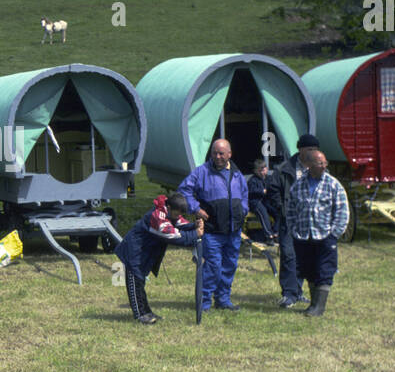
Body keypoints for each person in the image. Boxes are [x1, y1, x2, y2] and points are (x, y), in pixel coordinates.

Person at [179, 138, 248, 311]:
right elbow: (183, 190)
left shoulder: (238, 174)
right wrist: (196, 209)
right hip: (212, 231)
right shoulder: (201, 172)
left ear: (229, 154)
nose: (217, 156)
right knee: (212, 266)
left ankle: (223, 300)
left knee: (229, 266)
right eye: (214, 153)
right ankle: (204, 302)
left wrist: (243, 210)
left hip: (233, 231)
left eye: (221, 153)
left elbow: (245, 195)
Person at [114, 191, 204, 324]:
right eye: (176, 213)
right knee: (135, 283)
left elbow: (179, 225)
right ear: (169, 207)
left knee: (140, 282)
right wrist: (194, 234)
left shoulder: (170, 213)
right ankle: (140, 315)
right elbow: (171, 234)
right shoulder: (157, 217)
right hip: (133, 252)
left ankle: (147, 312)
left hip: (144, 253)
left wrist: (193, 226)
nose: (178, 216)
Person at [284, 148, 350, 317]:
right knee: (308, 270)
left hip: (325, 237)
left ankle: (319, 308)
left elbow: (342, 211)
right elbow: (290, 210)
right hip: (303, 237)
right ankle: (313, 305)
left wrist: (334, 234)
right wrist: (293, 230)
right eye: (319, 163)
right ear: (309, 165)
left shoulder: (333, 184)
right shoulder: (298, 185)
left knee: (325, 271)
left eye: (324, 162)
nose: (323, 166)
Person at [271, 133, 321, 308]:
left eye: (315, 149)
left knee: (306, 257)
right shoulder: (284, 169)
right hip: (290, 221)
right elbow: (273, 192)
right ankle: (289, 294)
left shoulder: (319, 169)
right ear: (300, 149)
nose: (312, 152)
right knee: (289, 256)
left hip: (311, 222)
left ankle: (299, 291)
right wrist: (283, 211)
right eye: (309, 149)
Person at [247, 158, 279, 242]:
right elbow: (250, 191)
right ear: (255, 171)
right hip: (255, 202)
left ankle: (276, 232)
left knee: (279, 212)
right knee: (263, 213)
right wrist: (262, 191)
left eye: (263, 170)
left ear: (266, 169)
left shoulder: (269, 179)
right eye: (259, 171)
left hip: (266, 201)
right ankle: (269, 235)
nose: (262, 173)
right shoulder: (252, 180)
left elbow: (273, 189)